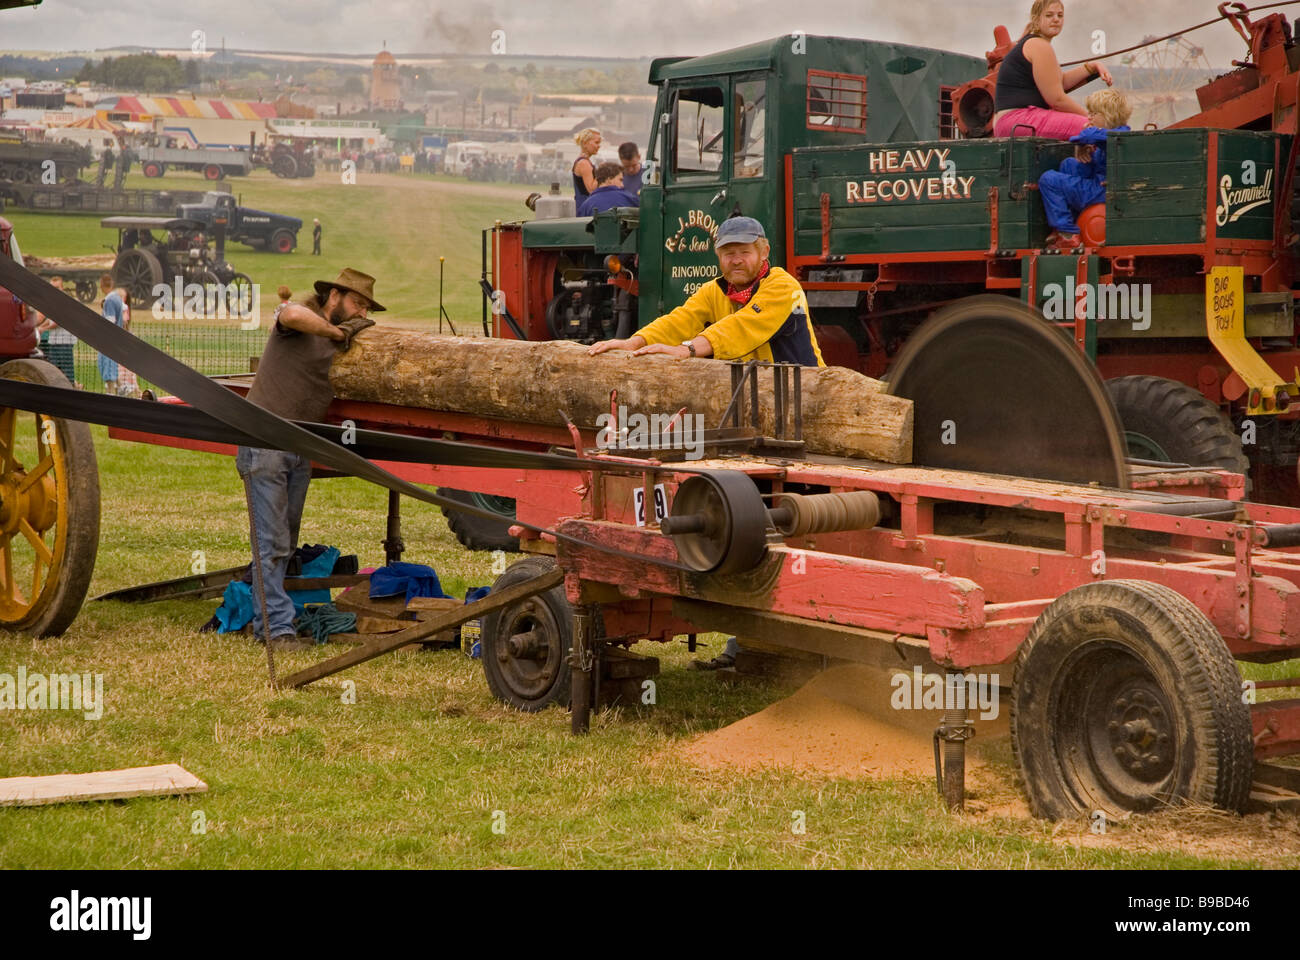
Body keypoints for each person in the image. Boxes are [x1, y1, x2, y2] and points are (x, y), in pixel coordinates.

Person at [237, 268, 380, 650]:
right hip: (264, 440)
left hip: (298, 445)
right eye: (356, 303)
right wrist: (337, 332)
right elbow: (289, 313)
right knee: (273, 542)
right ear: (335, 295)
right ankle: (275, 631)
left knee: (285, 538)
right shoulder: (303, 316)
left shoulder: (343, 334)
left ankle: (263, 616)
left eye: (366, 308)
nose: (360, 313)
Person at [588, 215, 823, 366]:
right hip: (757, 396)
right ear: (719, 257)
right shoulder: (714, 290)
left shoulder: (783, 285)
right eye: (729, 254)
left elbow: (741, 326)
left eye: (745, 252)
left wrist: (686, 350)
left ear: (764, 253)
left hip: (805, 393)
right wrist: (634, 343)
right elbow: (680, 320)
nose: (737, 260)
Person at [993, 0, 1114, 140]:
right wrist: (1091, 118)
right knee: (1093, 130)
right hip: (1018, 120)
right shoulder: (1038, 45)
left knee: (1092, 130)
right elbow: (1056, 99)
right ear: (1037, 19)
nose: (1056, 19)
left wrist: (1092, 66)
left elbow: (1059, 83)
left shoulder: (1037, 44)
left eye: (1060, 15)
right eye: (1049, 15)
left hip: (1012, 122)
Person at [1039, 89, 1132, 249]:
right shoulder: (1112, 135)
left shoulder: (1116, 135)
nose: (1089, 117)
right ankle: (1070, 224)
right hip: (1101, 187)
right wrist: (1086, 151)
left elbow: (1083, 136)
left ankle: (1067, 233)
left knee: (1048, 179)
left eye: (1093, 113)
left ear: (1107, 115)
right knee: (1069, 163)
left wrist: (1082, 139)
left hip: (1104, 191)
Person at [34, 276, 79, 387]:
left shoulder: (64, 302)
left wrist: (42, 329)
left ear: (62, 288)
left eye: (57, 287)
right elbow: (49, 320)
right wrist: (40, 327)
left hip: (64, 342)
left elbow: (56, 323)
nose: (55, 290)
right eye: (52, 287)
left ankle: (70, 391)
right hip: (55, 341)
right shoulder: (53, 301)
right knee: (54, 372)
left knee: (66, 374)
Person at [97, 275, 126, 395]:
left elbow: (109, 321)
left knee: (107, 365)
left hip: (108, 339)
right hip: (116, 337)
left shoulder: (109, 300)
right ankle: (121, 387)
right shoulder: (117, 298)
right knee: (112, 364)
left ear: (102, 285)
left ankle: (111, 392)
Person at [571, 128, 601, 209]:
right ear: (584, 143)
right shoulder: (584, 163)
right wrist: (601, 172)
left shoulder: (584, 161)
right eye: (596, 142)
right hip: (585, 207)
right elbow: (591, 189)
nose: (599, 146)